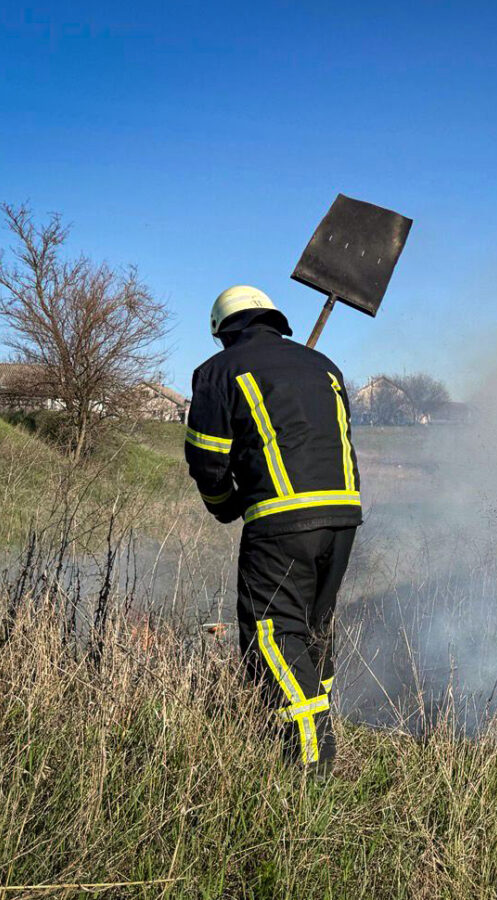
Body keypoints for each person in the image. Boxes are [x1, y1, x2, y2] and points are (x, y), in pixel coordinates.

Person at [184, 285, 361, 773]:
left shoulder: (219, 370)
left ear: (223, 330)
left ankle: (310, 764)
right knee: (314, 627)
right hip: (344, 516)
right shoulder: (325, 366)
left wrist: (225, 506)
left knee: (272, 632)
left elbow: (207, 459)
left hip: (282, 521)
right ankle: (319, 731)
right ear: (272, 320)